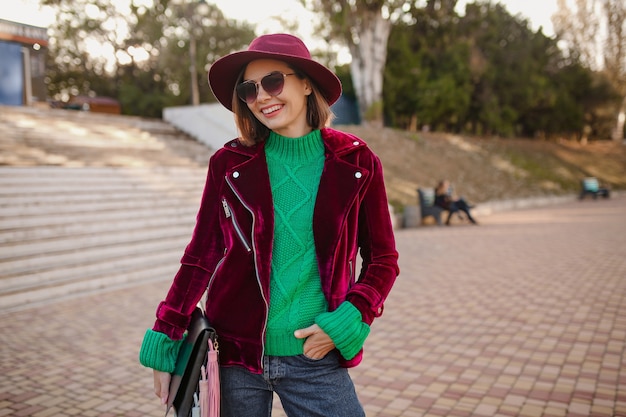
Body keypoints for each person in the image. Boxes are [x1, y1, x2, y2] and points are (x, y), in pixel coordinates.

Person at [139, 33, 400, 417]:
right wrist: (166, 332)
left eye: (273, 81)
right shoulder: (228, 164)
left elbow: (383, 259)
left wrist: (349, 319)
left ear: (307, 83)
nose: (262, 96)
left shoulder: (357, 163)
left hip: (315, 354)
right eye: (249, 88)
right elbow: (201, 256)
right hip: (233, 356)